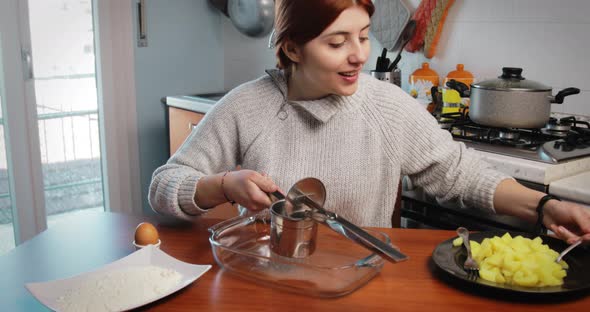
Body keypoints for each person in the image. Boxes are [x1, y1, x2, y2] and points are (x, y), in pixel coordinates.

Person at [149, 0, 590, 244]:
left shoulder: (386, 105)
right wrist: (224, 184)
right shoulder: (246, 107)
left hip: (363, 277)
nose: (359, 54)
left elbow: (461, 173)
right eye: (337, 42)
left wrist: (544, 207)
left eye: (362, 37)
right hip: (267, 282)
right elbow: (165, 185)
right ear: (293, 49)